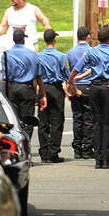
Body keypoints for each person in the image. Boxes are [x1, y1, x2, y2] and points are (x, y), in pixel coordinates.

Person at [69, 27, 109, 169]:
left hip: (94, 87)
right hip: (107, 87)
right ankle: (106, 159)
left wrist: (71, 81)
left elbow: (77, 68)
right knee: (107, 123)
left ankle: (98, 159)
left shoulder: (91, 51)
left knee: (96, 122)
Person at [3, 29, 46, 156]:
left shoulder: (6, 54)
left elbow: (4, 76)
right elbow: (38, 76)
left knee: (14, 121)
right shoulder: (32, 54)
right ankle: (26, 150)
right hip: (26, 88)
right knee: (27, 121)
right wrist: (42, 94)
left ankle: (16, 150)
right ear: (23, 39)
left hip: (12, 88)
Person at [37, 29, 68, 163]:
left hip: (43, 87)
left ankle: (44, 151)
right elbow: (66, 74)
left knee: (43, 121)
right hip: (55, 88)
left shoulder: (38, 56)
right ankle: (53, 152)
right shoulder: (61, 56)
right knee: (56, 121)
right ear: (54, 39)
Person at [65, 26, 95, 159]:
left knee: (77, 118)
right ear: (88, 36)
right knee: (89, 118)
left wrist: (69, 85)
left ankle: (77, 148)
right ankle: (87, 148)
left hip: (74, 85)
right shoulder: (92, 51)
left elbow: (67, 70)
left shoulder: (70, 52)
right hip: (88, 86)